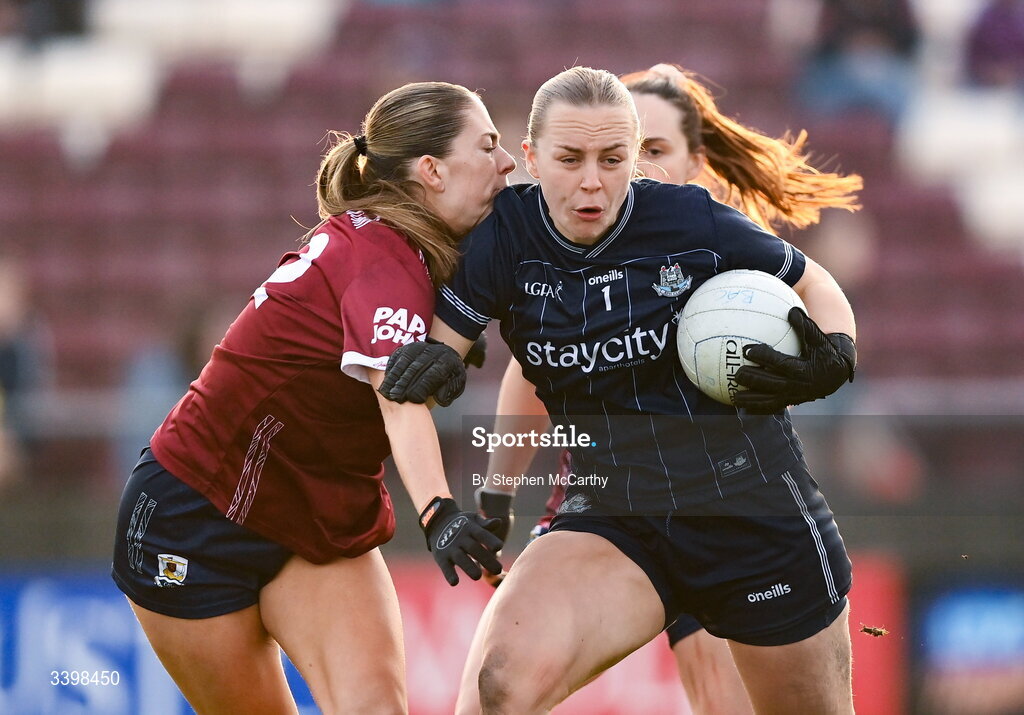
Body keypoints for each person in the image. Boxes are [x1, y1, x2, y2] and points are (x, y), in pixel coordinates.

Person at [380, 66, 858, 712]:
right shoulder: (504, 239)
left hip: (748, 506)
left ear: (632, 159)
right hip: (614, 513)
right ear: (531, 158)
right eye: (569, 158)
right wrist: (479, 469)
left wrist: (836, 354)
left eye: (612, 160)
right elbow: (475, 363)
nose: (590, 181)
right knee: (499, 686)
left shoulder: (688, 219)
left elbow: (815, 284)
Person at [110, 81, 516, 714]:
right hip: (196, 516)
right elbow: (398, 397)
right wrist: (439, 512)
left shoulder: (415, 252)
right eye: (487, 145)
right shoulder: (386, 259)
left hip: (319, 514)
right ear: (432, 170)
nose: (507, 161)